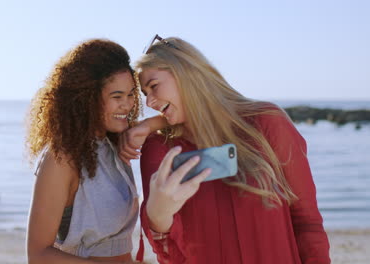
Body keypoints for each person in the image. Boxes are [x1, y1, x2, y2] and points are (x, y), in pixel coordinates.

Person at [119, 35, 330, 264]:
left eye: (154, 87)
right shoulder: (160, 148)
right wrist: (158, 215)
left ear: (186, 72)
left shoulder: (267, 123)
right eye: (145, 94)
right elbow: (171, 255)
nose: (149, 102)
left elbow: (307, 222)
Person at [26, 39, 146, 264]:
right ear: (86, 99)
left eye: (131, 94)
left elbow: (175, 123)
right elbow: (38, 255)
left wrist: (148, 126)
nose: (128, 105)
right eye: (117, 96)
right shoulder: (62, 158)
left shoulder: (112, 143)